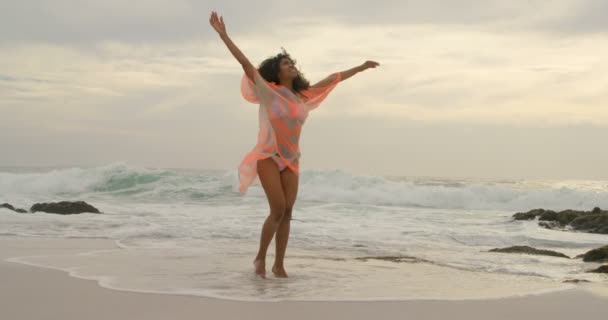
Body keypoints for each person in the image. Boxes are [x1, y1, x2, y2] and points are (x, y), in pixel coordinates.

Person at [209, 11, 379, 279]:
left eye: (292, 63)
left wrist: (359, 68)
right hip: (268, 155)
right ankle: (260, 258)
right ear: (277, 71)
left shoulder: (302, 96)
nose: (291, 66)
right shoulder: (268, 90)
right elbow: (245, 64)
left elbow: (333, 78)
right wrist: (224, 35)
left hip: (292, 159)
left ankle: (279, 264)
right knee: (277, 209)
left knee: (288, 212)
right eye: (286, 63)